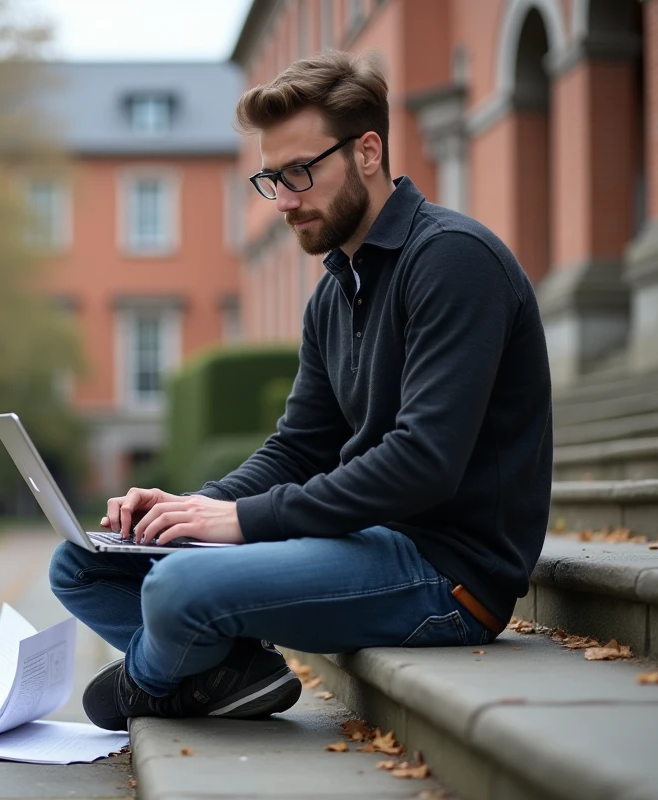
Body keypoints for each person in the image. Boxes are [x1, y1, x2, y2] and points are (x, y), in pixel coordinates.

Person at [50, 50, 552, 733]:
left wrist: (244, 523)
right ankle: (231, 672)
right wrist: (198, 506)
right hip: (363, 542)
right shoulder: (334, 290)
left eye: (299, 174)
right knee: (82, 564)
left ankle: (150, 684)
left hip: (447, 577)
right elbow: (298, 447)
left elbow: (424, 462)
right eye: (271, 178)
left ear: (368, 151)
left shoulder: (455, 260)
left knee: (177, 589)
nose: (284, 201)